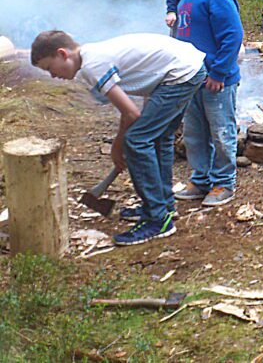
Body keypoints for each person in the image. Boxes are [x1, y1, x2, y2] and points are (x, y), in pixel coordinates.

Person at [31, 30, 206, 245]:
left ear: (62, 53)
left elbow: (131, 113)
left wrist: (118, 145)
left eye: (49, 68)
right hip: (185, 67)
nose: (52, 75)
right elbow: (139, 94)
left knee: (137, 141)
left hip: (181, 72)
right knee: (158, 138)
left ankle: (157, 219)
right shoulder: (89, 58)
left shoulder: (92, 65)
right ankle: (163, 205)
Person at [170, 0, 244, 207]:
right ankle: (200, 179)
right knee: (194, 133)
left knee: (222, 133)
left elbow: (233, 35)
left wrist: (219, 73)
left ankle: (224, 183)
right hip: (192, 80)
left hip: (216, 82)